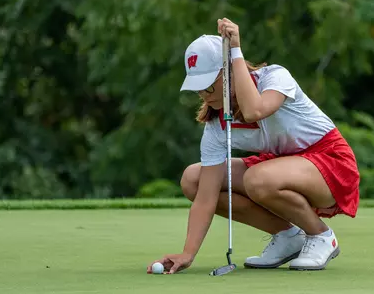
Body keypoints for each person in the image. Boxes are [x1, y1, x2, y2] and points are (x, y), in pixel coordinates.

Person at [147, 18, 360, 275]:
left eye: (208, 84)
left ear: (227, 71)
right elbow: (206, 197)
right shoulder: (216, 125)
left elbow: (254, 111)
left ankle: (322, 237)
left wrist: (235, 49)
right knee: (194, 178)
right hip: (281, 168)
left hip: (331, 163)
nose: (203, 93)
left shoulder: (275, 78)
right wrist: (187, 254)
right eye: (198, 88)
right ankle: (287, 236)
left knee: (258, 179)